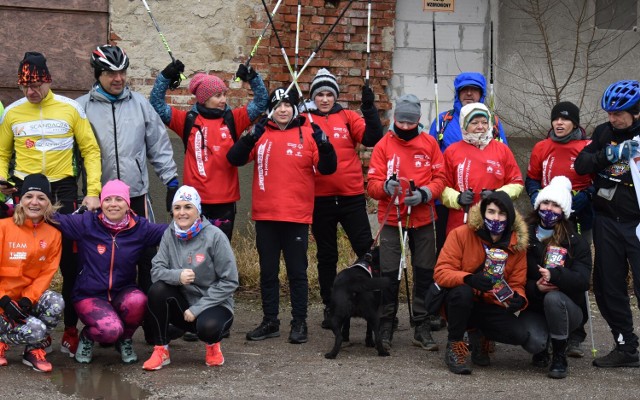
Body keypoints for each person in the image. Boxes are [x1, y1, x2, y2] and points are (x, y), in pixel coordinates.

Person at [0, 52, 102, 358]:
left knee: (71, 266)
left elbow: (90, 150)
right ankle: (6, 327)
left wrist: (93, 190)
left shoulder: (70, 108)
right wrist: (2, 183)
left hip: (63, 190)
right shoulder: (13, 113)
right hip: (24, 191)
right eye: (24, 87)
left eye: (36, 85)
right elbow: (2, 154)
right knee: (15, 260)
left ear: (48, 80)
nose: (31, 92)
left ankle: (70, 330)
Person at [227, 87, 337, 344]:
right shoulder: (262, 134)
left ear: (295, 108)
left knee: (297, 272)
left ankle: (299, 322)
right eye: (278, 106)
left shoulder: (309, 133)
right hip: (266, 216)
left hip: (296, 216)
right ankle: (270, 321)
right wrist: (248, 138)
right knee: (268, 272)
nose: (283, 109)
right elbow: (234, 159)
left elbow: (328, 168)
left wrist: (326, 146)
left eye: (287, 104)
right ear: (271, 110)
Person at [76, 44, 178, 295]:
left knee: (147, 258)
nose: (119, 78)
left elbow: (158, 144)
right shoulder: (81, 107)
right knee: (103, 262)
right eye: (111, 73)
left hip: (136, 195)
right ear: (98, 74)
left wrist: (172, 181)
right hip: (100, 198)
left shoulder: (140, 104)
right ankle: (107, 321)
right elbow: (74, 155)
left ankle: (153, 324)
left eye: (122, 72)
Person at [149, 60, 268, 240]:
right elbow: (156, 104)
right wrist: (166, 76)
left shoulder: (234, 118)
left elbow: (261, 103)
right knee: (194, 252)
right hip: (195, 202)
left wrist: (253, 78)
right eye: (218, 95)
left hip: (225, 202)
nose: (223, 100)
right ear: (204, 98)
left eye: (224, 94)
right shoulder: (187, 120)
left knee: (220, 253)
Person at [54, 180, 168, 364]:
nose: (113, 204)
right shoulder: (86, 223)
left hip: (122, 292)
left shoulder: (140, 228)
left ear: (127, 204)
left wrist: (208, 225)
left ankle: (125, 339)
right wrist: (13, 210)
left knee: (139, 300)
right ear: (101, 202)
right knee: (110, 330)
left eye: (119, 199)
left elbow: (173, 231)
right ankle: (88, 336)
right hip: (89, 295)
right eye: (107, 199)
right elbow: (53, 219)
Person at [304, 68, 383, 328]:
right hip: (320, 199)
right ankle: (331, 306)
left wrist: (370, 110)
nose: (324, 99)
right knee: (327, 255)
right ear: (313, 97)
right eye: (320, 95)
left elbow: (373, 138)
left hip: (350, 197)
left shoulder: (347, 116)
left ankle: (376, 304)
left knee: (366, 250)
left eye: (329, 94)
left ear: (335, 96)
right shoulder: (305, 118)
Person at [366, 94, 446, 352]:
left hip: (422, 218)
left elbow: (440, 178)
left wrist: (425, 193)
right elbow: (372, 184)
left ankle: (421, 324)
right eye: (401, 122)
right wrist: (385, 187)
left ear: (419, 120)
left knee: (424, 271)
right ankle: (386, 322)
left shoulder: (430, 144)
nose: (406, 127)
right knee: (389, 273)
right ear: (394, 119)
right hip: (392, 218)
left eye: (411, 123)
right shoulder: (383, 145)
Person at [575, 79, 640, 368]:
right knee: (608, 285)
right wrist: (609, 154)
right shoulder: (604, 132)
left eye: (619, 114)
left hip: (637, 223)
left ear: (636, 111)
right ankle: (625, 346)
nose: (612, 119)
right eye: (609, 113)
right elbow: (581, 164)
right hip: (606, 220)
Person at [143, 186, 239, 371]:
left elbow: (230, 281)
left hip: (213, 304)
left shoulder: (215, 236)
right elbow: (156, 270)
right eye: (177, 208)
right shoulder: (169, 234)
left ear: (198, 210)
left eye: (188, 207)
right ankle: (161, 350)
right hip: (183, 304)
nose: (182, 212)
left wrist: (197, 308)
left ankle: (212, 346)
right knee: (157, 290)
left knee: (208, 328)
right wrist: (177, 276)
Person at [526, 101, 594, 357]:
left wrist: (584, 198)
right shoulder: (542, 147)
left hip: (577, 216)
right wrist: (536, 195)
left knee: (574, 270)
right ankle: (543, 322)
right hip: (548, 213)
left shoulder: (585, 147)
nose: (560, 123)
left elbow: (596, 181)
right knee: (544, 267)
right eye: (556, 119)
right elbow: (531, 177)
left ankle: (576, 332)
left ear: (574, 123)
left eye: (565, 120)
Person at [434, 191, 529, 375]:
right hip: (460, 301)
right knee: (462, 293)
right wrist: (468, 278)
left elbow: (518, 283)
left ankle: (480, 336)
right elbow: (441, 272)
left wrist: (519, 298)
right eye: (491, 212)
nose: (496, 218)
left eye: (502, 214)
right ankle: (455, 345)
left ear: (509, 217)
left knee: (521, 334)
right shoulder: (461, 234)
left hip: (491, 303)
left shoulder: (517, 245)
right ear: (483, 212)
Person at [523, 176, 592, 379]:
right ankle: (543, 346)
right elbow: (514, 277)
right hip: (535, 305)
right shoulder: (523, 236)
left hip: (568, 308)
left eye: (556, 205)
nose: (549, 209)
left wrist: (556, 276)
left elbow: (582, 280)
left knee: (553, 298)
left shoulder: (575, 242)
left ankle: (560, 354)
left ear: (564, 211)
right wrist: (535, 287)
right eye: (545, 202)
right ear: (537, 204)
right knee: (533, 341)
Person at [0, 174, 63, 372]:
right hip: (2, 301)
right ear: (20, 200)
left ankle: (33, 350)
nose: (34, 202)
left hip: (24, 303)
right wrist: (3, 300)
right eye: (29, 196)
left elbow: (46, 274)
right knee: (36, 329)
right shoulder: (3, 227)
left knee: (55, 303)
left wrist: (27, 300)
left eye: (41, 197)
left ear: (48, 203)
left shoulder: (54, 235)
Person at [440, 102, 523, 235]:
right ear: (464, 125)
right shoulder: (452, 152)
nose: (480, 127)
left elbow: (517, 183)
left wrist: (497, 195)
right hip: (460, 222)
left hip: (496, 222)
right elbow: (441, 186)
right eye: (474, 123)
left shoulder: (502, 150)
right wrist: (458, 198)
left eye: (484, 122)